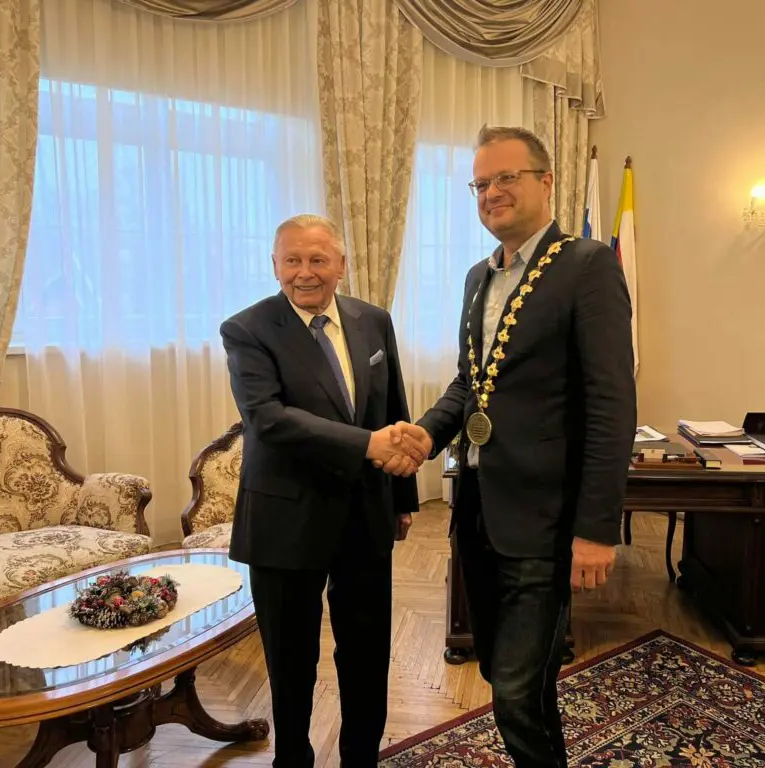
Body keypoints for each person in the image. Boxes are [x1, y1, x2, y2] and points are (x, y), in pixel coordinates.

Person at [399, 126, 636, 766]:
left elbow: (612, 405)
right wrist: (427, 432)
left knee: (513, 691)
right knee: (512, 678)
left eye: (507, 177)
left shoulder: (588, 266)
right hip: (478, 508)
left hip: (545, 519)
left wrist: (596, 529)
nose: (492, 192)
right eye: (481, 183)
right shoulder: (477, 276)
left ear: (546, 182)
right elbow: (470, 381)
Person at [220, 214, 424, 768]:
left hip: (365, 513)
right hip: (285, 520)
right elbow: (268, 419)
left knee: (366, 653)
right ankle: (293, 758)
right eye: (292, 260)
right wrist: (367, 445)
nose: (304, 273)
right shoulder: (246, 329)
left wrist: (403, 498)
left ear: (341, 264)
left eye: (317, 260)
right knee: (291, 660)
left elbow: (393, 408)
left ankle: (362, 756)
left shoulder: (373, 320)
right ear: (275, 266)